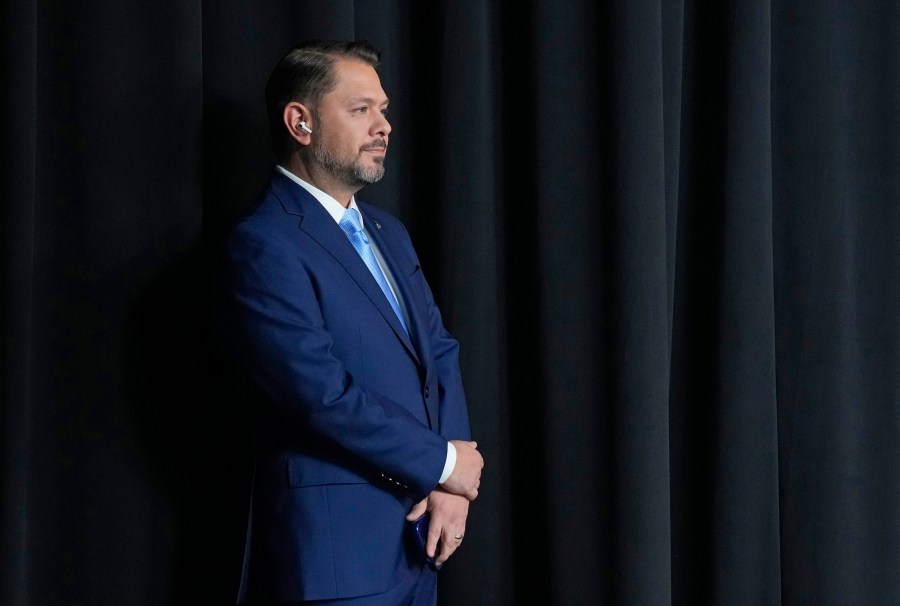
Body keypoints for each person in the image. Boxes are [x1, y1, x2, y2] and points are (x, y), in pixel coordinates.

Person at [217, 39, 483, 605]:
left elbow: (438, 350)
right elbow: (318, 394)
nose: (383, 125)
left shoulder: (389, 232)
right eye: (361, 110)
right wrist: (444, 462)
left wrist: (451, 482)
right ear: (301, 122)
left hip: (419, 540)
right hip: (335, 556)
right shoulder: (263, 244)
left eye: (382, 110)